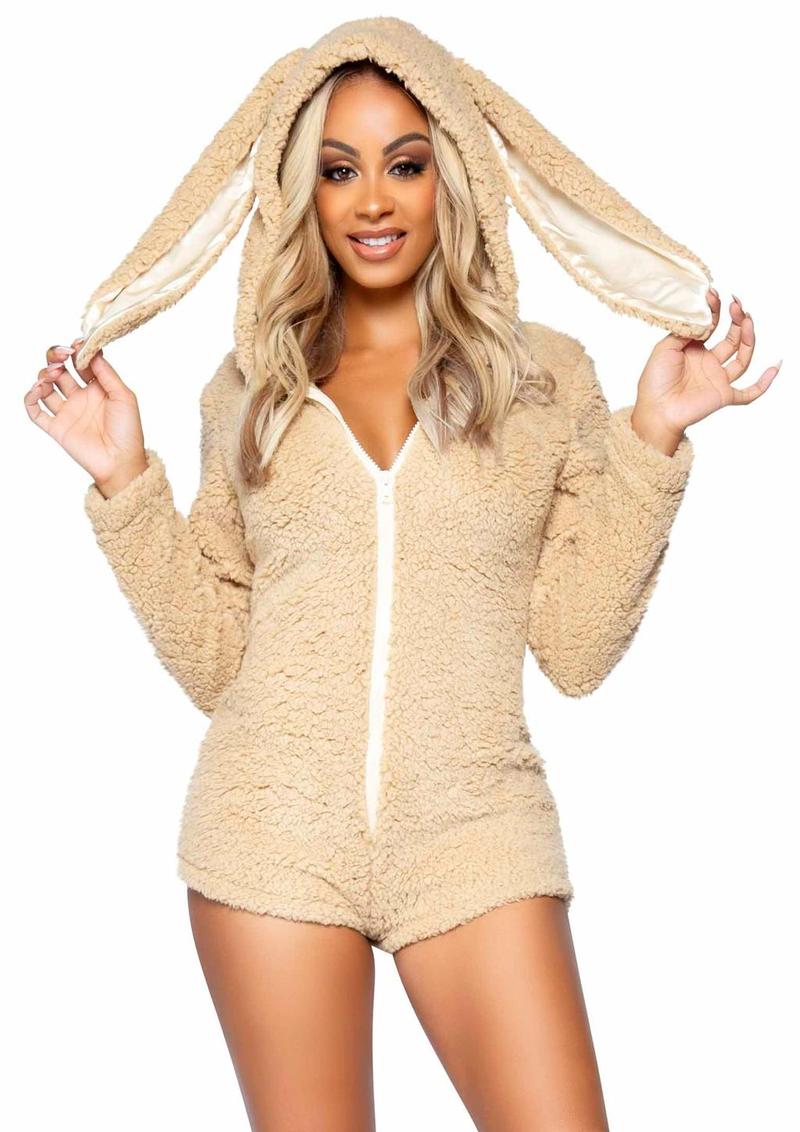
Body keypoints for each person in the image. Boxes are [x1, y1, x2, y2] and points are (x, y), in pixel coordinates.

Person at [25, 19, 779, 1132]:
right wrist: (124, 478)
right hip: (271, 835)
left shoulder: (542, 380)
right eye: (338, 170)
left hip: (476, 829)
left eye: (404, 164)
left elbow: (575, 649)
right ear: (301, 191)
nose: (371, 200)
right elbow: (219, 659)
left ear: (453, 174)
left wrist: (652, 438)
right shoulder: (249, 391)